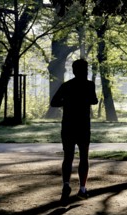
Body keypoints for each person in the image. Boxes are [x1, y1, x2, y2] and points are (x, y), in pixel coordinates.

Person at [50, 58, 98, 204]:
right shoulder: (89, 85)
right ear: (85, 70)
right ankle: (82, 189)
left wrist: (67, 102)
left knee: (68, 156)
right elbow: (94, 101)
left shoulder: (67, 85)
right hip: (83, 125)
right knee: (84, 157)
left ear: (73, 70)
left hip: (68, 125)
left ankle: (66, 185)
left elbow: (54, 102)